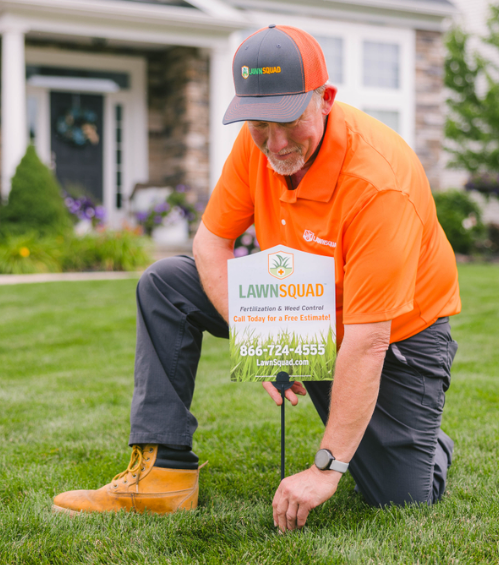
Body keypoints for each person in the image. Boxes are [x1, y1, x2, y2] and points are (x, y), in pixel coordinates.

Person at [53, 25, 461, 531]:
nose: (276, 143)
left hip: (399, 335)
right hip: (303, 302)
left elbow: (368, 339)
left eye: (289, 120)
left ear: (326, 99)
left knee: (400, 498)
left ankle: (428, 444)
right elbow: (210, 243)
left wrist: (325, 468)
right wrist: (265, 337)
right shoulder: (258, 144)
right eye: (259, 125)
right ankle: (165, 471)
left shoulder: (379, 183)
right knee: (164, 283)